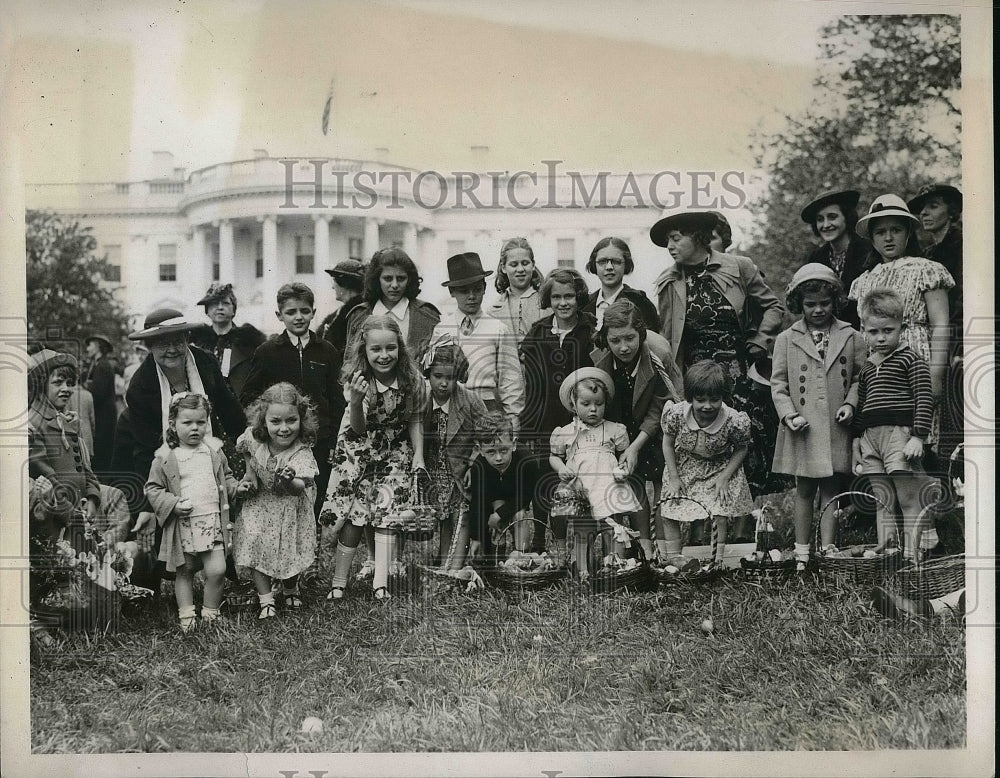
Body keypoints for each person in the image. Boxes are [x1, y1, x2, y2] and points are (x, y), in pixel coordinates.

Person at [651, 211, 786, 500]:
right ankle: (701, 518)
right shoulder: (669, 281)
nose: (670, 247)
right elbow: (666, 334)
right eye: (667, 242)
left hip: (737, 371)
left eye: (676, 238)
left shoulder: (739, 267)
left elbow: (774, 307)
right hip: (696, 375)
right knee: (702, 440)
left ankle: (743, 520)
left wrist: (761, 340)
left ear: (697, 236)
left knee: (741, 438)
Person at [847, 194, 954, 553]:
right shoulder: (865, 281)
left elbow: (941, 325)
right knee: (887, 452)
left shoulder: (926, 269)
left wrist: (936, 373)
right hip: (880, 369)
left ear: (908, 232)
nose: (888, 238)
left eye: (896, 230)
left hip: (917, 360)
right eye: (881, 232)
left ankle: (927, 533)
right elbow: (864, 335)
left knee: (915, 445)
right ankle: (897, 538)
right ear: (872, 238)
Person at [117, 308, 246, 592]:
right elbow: (145, 450)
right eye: (162, 343)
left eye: (178, 340)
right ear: (149, 346)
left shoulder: (205, 363)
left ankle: (235, 576)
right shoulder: (141, 386)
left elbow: (229, 408)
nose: (172, 349)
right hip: (164, 460)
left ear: (187, 338)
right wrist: (149, 506)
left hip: (209, 449)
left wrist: (249, 441)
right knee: (159, 522)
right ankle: (151, 584)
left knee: (228, 506)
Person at [320, 316, 426, 602]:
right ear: (364, 350)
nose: (384, 355)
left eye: (390, 348)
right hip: (360, 450)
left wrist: (419, 455)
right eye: (376, 349)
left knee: (387, 514)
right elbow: (358, 428)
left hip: (394, 450)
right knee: (355, 517)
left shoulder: (411, 379)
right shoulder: (359, 381)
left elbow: (414, 418)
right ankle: (338, 583)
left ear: (400, 348)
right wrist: (355, 401)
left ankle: (381, 582)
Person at [770, 264, 865, 569]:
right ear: (799, 304)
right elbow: (779, 385)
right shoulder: (787, 338)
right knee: (805, 489)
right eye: (810, 304)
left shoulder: (851, 335)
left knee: (832, 488)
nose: (818, 310)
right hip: (804, 427)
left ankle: (829, 551)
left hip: (836, 426)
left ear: (835, 301)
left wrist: (850, 405)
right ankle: (801, 553)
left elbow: (859, 379)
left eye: (825, 303)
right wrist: (789, 416)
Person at [851, 289, 941, 560]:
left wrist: (918, 436)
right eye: (874, 332)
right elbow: (863, 405)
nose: (881, 338)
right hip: (871, 439)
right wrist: (857, 438)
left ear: (901, 325)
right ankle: (888, 549)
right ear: (864, 330)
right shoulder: (867, 367)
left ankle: (913, 553)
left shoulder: (910, 359)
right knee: (883, 499)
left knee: (907, 497)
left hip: (899, 437)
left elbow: (924, 398)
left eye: (888, 330)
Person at [592, 299, 682, 560]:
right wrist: (622, 446)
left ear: (641, 334)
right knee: (631, 481)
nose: (623, 347)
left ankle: (668, 550)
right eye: (615, 340)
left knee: (662, 481)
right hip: (621, 424)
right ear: (606, 339)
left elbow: (661, 409)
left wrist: (635, 446)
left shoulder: (659, 355)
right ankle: (641, 544)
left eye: (630, 338)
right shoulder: (600, 361)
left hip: (657, 428)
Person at [241, 282, 340, 517]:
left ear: (313, 313)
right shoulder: (267, 352)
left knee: (316, 496)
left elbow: (338, 401)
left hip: (319, 440)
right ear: (279, 315)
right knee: (282, 498)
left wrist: (334, 440)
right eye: (291, 312)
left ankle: (312, 548)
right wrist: (266, 428)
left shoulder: (326, 351)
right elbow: (249, 396)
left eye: (305, 311)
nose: (298, 317)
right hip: (280, 442)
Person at [144, 393, 238, 632]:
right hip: (183, 525)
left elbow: (226, 478)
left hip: (212, 521)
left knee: (217, 569)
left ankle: (210, 613)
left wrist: (237, 487)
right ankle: (187, 617)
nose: (195, 428)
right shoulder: (166, 458)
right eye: (187, 423)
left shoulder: (213, 453)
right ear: (173, 424)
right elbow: (153, 489)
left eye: (201, 422)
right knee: (184, 571)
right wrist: (173, 504)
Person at [233, 383, 319, 619]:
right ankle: (266, 600)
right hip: (261, 503)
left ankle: (290, 587)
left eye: (291, 420)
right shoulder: (254, 438)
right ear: (263, 420)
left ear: (301, 419)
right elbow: (246, 451)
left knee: (288, 550)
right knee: (256, 542)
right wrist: (249, 477)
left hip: (290, 506)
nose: (284, 428)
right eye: (276, 422)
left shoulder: (301, 452)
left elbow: (299, 487)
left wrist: (290, 481)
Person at [660, 360, 754, 568]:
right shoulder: (676, 415)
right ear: (690, 397)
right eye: (700, 400)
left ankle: (717, 559)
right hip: (684, 465)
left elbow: (741, 448)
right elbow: (667, 443)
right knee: (670, 506)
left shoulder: (733, 420)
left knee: (718, 508)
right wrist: (674, 478)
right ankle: (674, 558)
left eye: (715, 399)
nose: (707, 406)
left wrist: (724, 477)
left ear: (723, 397)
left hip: (718, 466)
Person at [550, 368, 642, 577]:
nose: (593, 409)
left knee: (613, 526)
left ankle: (614, 565)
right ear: (573, 404)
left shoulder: (613, 429)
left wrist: (623, 469)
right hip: (581, 487)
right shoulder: (565, 432)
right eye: (586, 404)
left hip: (608, 485)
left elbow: (622, 456)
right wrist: (561, 467)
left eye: (598, 404)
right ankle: (583, 568)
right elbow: (553, 456)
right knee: (584, 529)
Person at [429, 252, 525, 432]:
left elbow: (510, 378)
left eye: (477, 289)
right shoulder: (443, 329)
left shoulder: (498, 329)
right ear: (452, 292)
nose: (471, 296)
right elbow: (433, 375)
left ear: (484, 288)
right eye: (464, 291)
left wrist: (513, 417)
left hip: (487, 405)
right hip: (451, 405)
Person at [907, 183, 963, 465]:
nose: (925, 214)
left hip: (957, 344)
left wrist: (954, 349)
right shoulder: (927, 256)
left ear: (951, 211)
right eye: (922, 209)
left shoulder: (963, 246)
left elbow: (963, 303)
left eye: (934, 206)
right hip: (930, 343)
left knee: (955, 416)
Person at [420, 340, 488, 570]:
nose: (443, 383)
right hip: (433, 468)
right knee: (442, 516)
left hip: (460, 470)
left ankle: (455, 565)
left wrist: (473, 464)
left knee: (460, 515)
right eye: (437, 376)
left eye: (450, 377)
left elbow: (485, 436)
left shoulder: (469, 401)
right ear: (428, 374)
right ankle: (443, 557)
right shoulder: (422, 400)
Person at [28, 350, 101, 535]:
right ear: (41, 386)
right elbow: (45, 476)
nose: (66, 388)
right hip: (54, 520)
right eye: (57, 383)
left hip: (79, 514)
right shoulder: (34, 424)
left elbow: (84, 466)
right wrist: (71, 514)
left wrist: (92, 497)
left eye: (69, 383)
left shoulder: (67, 421)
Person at [467, 413, 545, 564]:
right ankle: (497, 558)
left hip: (517, 499)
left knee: (520, 516)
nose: (498, 458)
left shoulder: (526, 460)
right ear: (480, 449)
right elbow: (478, 503)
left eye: (503, 450)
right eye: (491, 452)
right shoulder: (479, 467)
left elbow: (527, 494)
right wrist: (476, 538)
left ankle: (522, 557)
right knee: (495, 523)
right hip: (495, 500)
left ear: (514, 444)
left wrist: (501, 514)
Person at [345, 247, 441, 361]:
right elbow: (349, 362)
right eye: (388, 278)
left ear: (409, 279)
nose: (395, 285)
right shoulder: (358, 315)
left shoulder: (427, 315)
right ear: (377, 279)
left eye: (401, 278)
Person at [799, 190, 871, 328]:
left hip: (867, 330)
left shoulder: (867, 251)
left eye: (832, 217)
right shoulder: (816, 258)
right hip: (830, 335)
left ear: (847, 217)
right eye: (820, 219)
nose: (826, 225)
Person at [188, 283, 266, 401]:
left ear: (233, 310)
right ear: (207, 311)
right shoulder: (196, 342)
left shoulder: (249, 342)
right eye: (214, 303)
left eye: (225, 303)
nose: (220, 307)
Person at [582, 237, 659, 332]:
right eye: (602, 262)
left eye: (616, 261)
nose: (609, 267)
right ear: (594, 265)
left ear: (626, 265)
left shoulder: (639, 302)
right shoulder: (584, 304)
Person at [487, 237, 549, 343]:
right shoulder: (493, 311)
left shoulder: (548, 304)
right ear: (503, 267)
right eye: (513, 264)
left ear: (533, 265)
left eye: (525, 263)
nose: (520, 269)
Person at [82, 334, 118, 476]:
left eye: (90, 345)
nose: (88, 348)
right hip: (101, 414)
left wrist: (86, 387)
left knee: (102, 450)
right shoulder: (98, 364)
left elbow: (98, 393)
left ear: (97, 346)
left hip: (103, 416)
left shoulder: (102, 366)